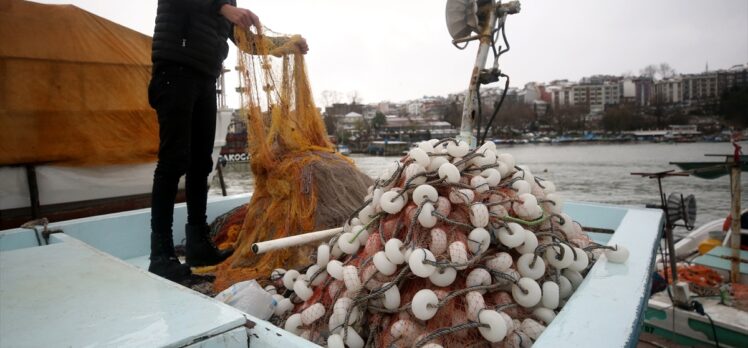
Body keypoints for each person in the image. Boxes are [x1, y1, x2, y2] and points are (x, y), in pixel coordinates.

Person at [147, 0, 308, 281]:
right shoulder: (222, 3)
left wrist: (285, 45)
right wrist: (223, 7)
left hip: (206, 78)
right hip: (174, 70)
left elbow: (244, 41)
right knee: (173, 162)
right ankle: (161, 255)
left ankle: (198, 244)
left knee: (201, 164)